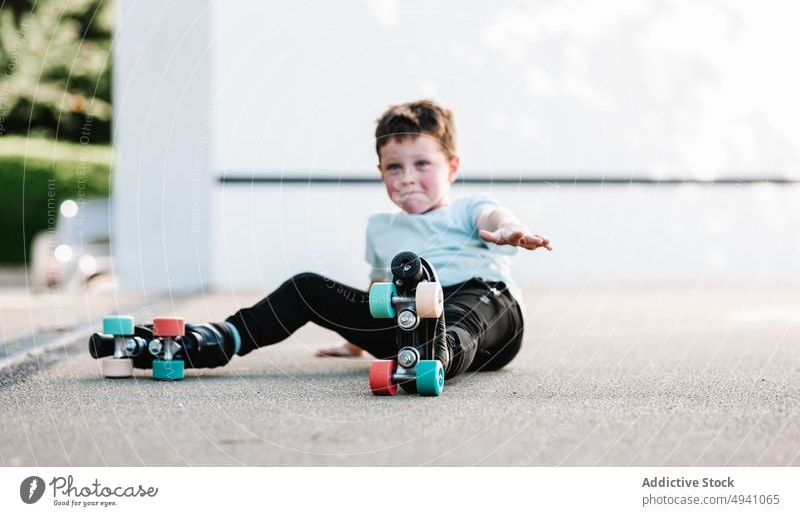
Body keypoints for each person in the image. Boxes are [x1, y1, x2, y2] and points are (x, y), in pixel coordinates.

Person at [109, 100, 552, 379]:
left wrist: (512, 231)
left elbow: (494, 216)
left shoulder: (466, 208)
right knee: (306, 287)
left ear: (451, 168)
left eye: (422, 164)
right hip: (409, 328)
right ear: (381, 173)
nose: (408, 178)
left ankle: (438, 355)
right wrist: (356, 341)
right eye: (394, 168)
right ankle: (216, 341)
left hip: (486, 307)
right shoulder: (381, 228)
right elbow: (378, 292)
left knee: (462, 313)